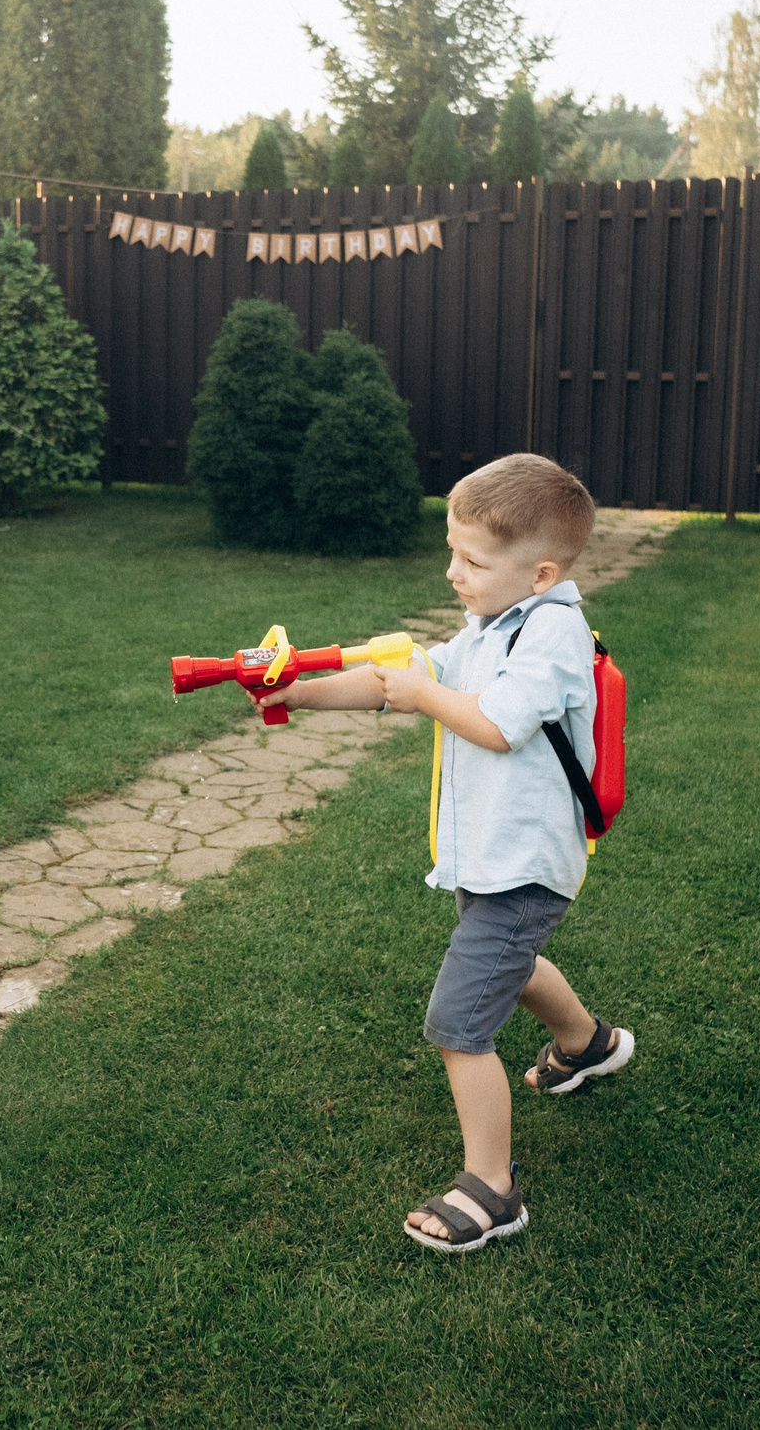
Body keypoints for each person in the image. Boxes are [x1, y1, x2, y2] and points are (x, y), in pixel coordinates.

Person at [261, 452, 634, 1253]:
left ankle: (493, 1189)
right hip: (492, 858)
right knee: (513, 963)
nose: (453, 571)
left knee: (459, 1022)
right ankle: (588, 1045)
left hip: (528, 862)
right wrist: (299, 691)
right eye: (453, 551)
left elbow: (497, 723)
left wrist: (425, 693)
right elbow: (408, 674)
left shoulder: (552, 634)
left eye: (472, 559)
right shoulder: (492, 624)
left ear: (537, 572)